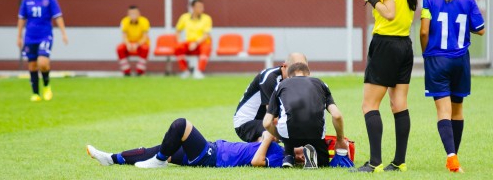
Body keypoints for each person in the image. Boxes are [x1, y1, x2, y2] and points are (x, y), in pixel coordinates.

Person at [420, 0, 485, 173]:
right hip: (460, 61)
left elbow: (423, 30)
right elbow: (481, 29)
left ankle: (451, 157)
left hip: (437, 59)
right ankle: (454, 158)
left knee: (443, 112)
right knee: (457, 110)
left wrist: (425, 52)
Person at [357, 0, 417, 173]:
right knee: (399, 103)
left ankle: (374, 162)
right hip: (404, 45)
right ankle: (399, 161)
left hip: (385, 46)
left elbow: (389, 14)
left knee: (369, 104)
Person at [86, 118, 304, 168]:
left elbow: (257, 161)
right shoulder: (278, 146)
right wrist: (269, 131)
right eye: (302, 149)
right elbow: (260, 138)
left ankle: (160, 161)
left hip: (212, 156)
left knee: (181, 125)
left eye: (303, 156)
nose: (300, 152)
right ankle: (112, 158)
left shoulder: (278, 158)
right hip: (213, 149)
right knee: (161, 148)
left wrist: (266, 139)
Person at [263, 62, 348, 169]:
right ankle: (313, 158)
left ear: (289, 75)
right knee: (323, 163)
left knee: (287, 121)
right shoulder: (320, 84)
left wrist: (280, 138)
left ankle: (289, 156)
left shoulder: (281, 85)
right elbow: (337, 115)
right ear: (308, 74)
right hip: (315, 133)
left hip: (289, 135)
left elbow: (266, 123)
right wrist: (340, 140)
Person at [16, 0, 68, 102]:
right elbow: (22, 19)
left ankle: (46, 86)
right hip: (30, 37)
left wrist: (63, 33)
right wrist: (19, 36)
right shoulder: (26, 0)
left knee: (43, 63)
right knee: (32, 65)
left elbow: (58, 16)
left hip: (45, 35)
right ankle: (36, 94)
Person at [234, 52, 308, 142]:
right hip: (246, 123)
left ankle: (259, 146)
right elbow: (272, 116)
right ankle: (259, 147)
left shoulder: (296, 81)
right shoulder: (270, 77)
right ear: (284, 66)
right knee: (279, 132)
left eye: (302, 70)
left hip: (264, 121)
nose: (298, 74)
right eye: (294, 70)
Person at [174, 0, 212, 79]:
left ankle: (198, 71)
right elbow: (178, 31)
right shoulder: (184, 17)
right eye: (199, 7)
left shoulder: (207, 18)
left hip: (201, 43)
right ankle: (185, 71)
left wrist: (196, 43)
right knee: (178, 47)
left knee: (207, 48)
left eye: (202, 7)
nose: (201, 9)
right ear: (192, 8)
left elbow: (206, 35)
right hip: (189, 43)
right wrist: (179, 41)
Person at [116, 5, 151, 76]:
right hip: (129, 42)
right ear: (128, 14)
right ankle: (126, 71)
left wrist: (137, 44)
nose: (133, 15)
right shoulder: (124, 21)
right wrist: (128, 44)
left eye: (135, 13)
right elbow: (124, 36)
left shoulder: (144, 21)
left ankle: (140, 71)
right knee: (120, 48)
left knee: (145, 48)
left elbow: (145, 37)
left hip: (140, 43)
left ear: (139, 14)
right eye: (131, 13)